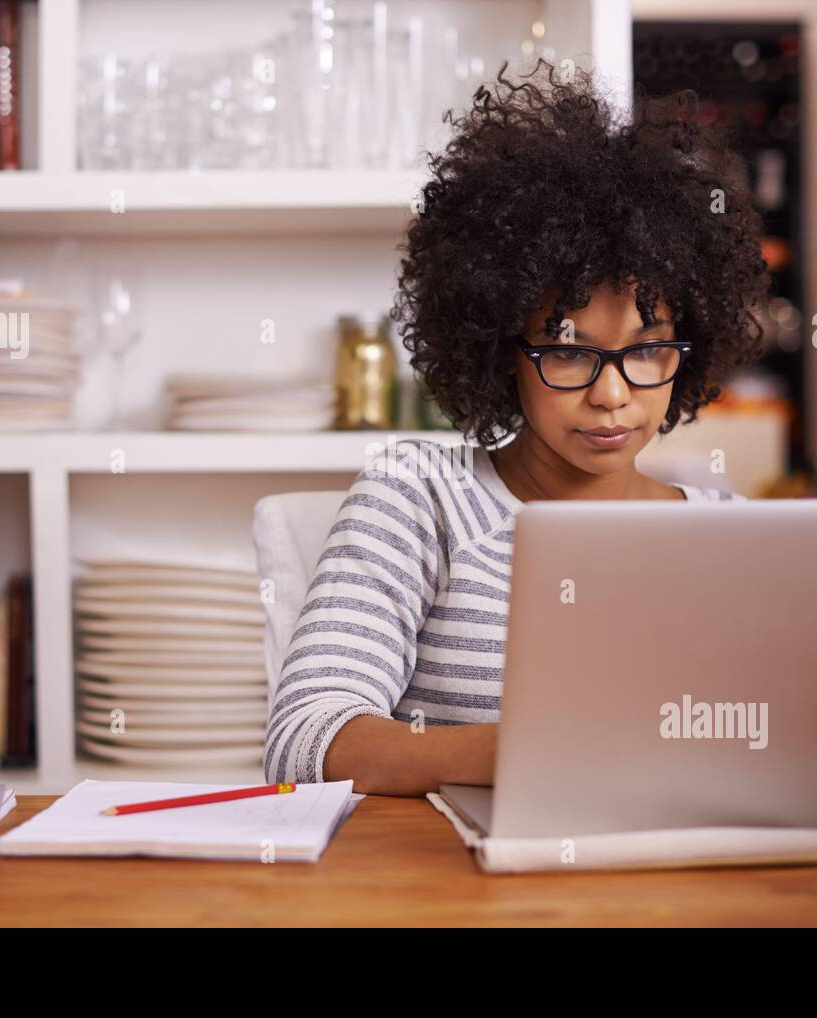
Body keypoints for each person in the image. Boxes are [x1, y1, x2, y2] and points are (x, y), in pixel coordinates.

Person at [265, 58, 771, 794]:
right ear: (503, 349)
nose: (610, 395)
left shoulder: (735, 536)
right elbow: (308, 740)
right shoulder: (421, 499)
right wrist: (535, 753)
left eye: (648, 350)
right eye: (568, 352)